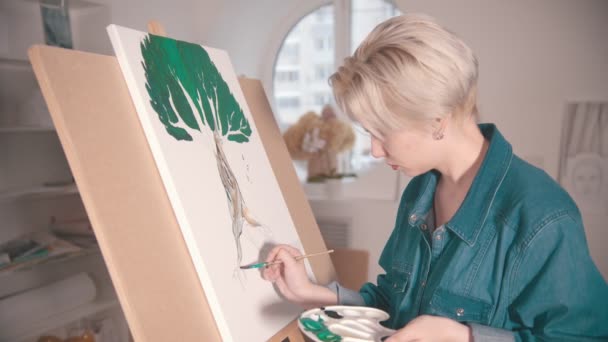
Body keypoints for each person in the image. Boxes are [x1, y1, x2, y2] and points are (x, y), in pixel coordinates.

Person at [262, 13, 608, 341]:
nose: (375, 151)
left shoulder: (541, 217)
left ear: (436, 120)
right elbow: (392, 308)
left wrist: (467, 337)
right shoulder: (419, 192)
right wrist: (313, 294)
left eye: (383, 132)